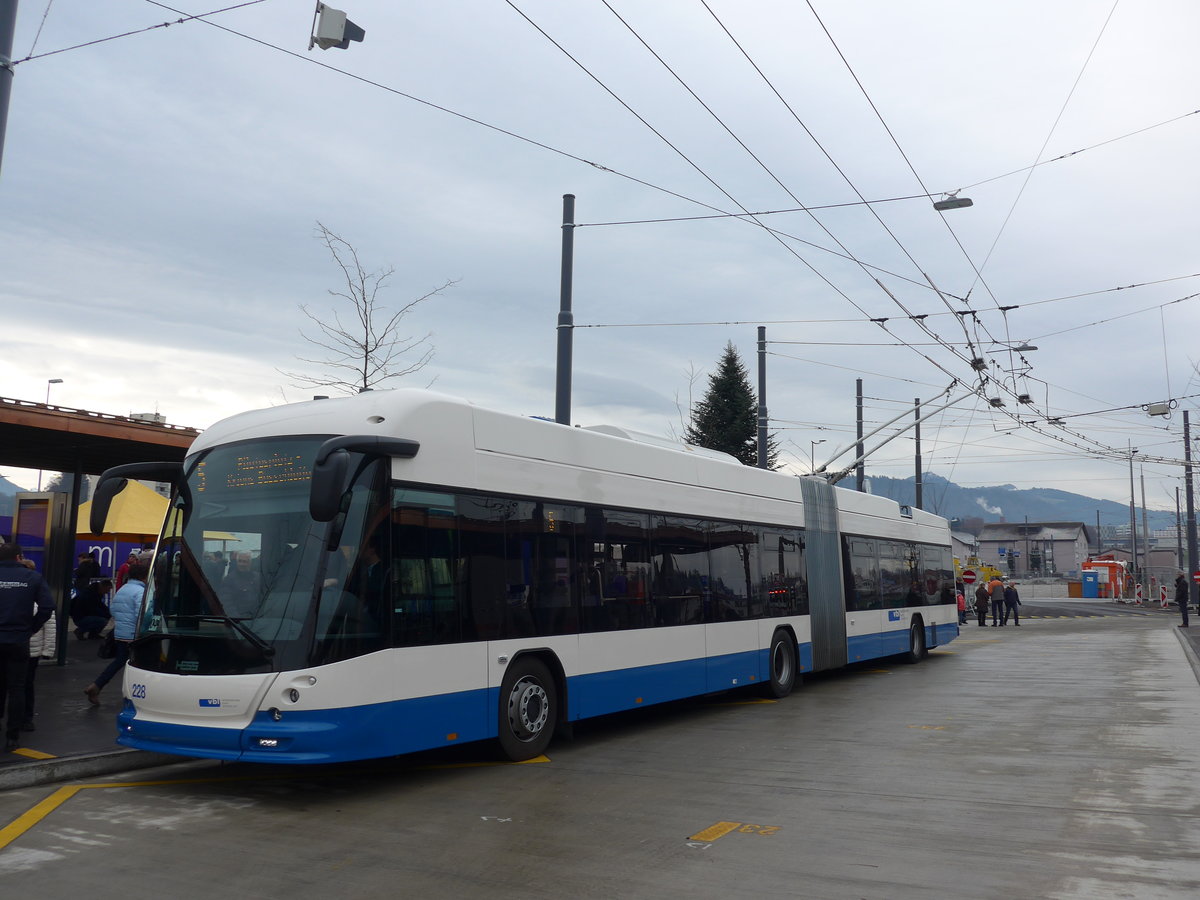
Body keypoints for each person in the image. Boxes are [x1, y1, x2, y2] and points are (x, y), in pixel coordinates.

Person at [0, 543, 55, 752]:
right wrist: (31, 629)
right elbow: (47, 607)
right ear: (19, 557)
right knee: (17, 688)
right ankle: (12, 736)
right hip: (18, 639)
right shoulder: (33, 578)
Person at [83, 562, 147, 706]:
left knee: (120, 661)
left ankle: (97, 685)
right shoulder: (140, 591)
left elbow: (113, 610)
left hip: (120, 633)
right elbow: (141, 614)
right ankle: (134, 695)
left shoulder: (123, 589)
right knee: (139, 665)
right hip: (134, 634)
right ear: (144, 577)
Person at [220, 551, 262, 619]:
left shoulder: (258, 578)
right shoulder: (229, 579)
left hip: (256, 619)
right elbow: (226, 602)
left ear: (250, 563)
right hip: (238, 620)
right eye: (239, 561)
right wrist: (237, 618)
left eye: (245, 561)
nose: (241, 564)